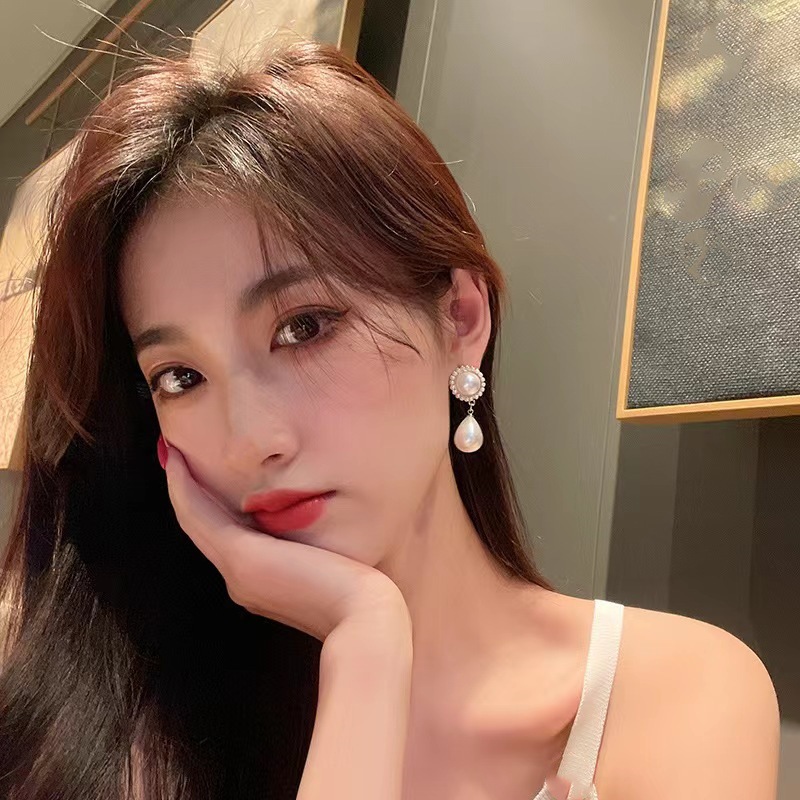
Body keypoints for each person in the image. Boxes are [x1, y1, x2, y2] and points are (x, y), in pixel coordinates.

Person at [0, 38, 780, 800]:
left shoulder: (675, 697)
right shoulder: (124, 728)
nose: (250, 441)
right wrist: (365, 644)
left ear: (461, 318)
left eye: (304, 326)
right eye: (181, 377)